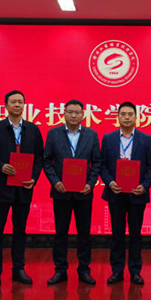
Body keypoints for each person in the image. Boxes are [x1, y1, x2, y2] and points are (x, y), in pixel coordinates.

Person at [0, 90, 44, 286]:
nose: (17, 105)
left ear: (24, 105)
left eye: (20, 102)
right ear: (6, 106)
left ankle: (19, 269)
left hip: (23, 188)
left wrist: (34, 178)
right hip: (1, 188)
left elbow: (39, 157)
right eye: (13, 102)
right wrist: (0, 166)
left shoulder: (32, 129)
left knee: (20, 230)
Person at [42, 99, 102, 286]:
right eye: (70, 112)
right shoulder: (53, 134)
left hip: (84, 192)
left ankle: (84, 270)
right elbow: (46, 161)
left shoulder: (92, 135)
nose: (74, 115)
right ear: (64, 114)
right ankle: (60, 270)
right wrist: (55, 181)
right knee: (61, 233)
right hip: (61, 191)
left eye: (77, 112)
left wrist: (91, 184)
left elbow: (97, 162)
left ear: (83, 115)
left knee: (84, 233)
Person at [100, 101, 151, 286]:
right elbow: (102, 165)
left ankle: (135, 271)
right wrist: (110, 182)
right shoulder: (108, 138)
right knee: (117, 234)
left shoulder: (146, 139)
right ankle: (117, 271)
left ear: (136, 117)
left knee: (135, 234)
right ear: (117, 117)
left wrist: (144, 186)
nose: (126, 117)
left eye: (130, 114)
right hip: (115, 193)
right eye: (123, 114)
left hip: (136, 193)